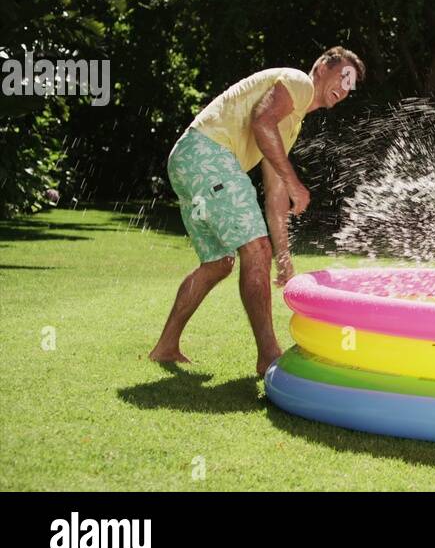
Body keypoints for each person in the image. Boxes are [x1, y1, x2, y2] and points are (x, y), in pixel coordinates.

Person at [149, 46, 366, 376]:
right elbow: (261, 121)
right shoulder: (298, 82)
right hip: (209, 154)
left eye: (351, 85)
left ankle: (166, 346)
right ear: (322, 67)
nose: (345, 88)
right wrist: (295, 182)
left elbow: (275, 192)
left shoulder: (291, 122)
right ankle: (269, 355)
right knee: (255, 249)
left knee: (219, 263)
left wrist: (283, 254)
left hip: (190, 160)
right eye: (343, 76)